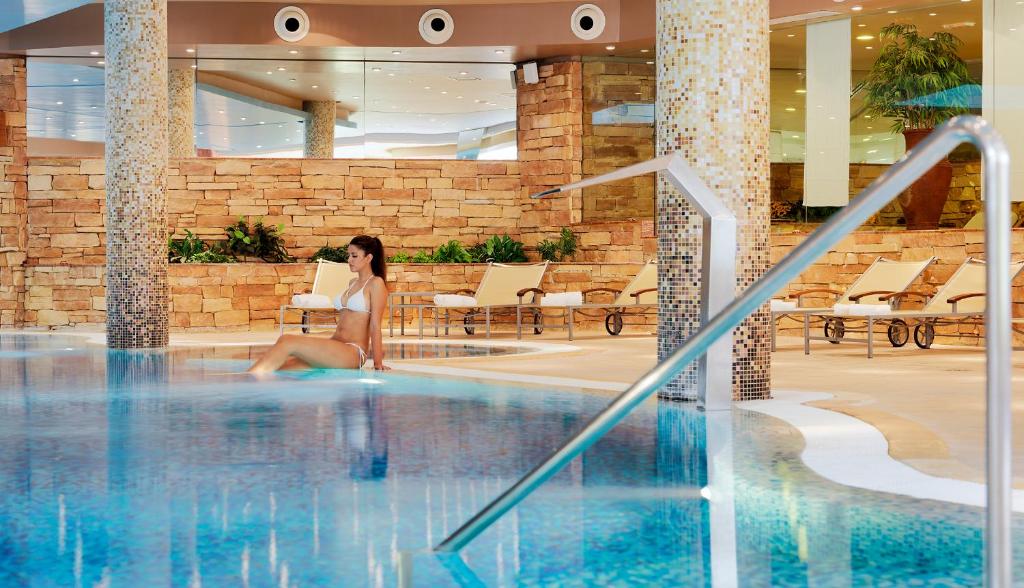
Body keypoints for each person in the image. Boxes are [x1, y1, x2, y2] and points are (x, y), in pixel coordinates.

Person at [249, 235, 390, 373]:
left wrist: (378, 363)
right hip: (335, 344)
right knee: (283, 368)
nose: (349, 260)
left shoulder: (376, 284)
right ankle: (248, 378)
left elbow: (375, 325)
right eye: (348, 255)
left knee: (287, 341)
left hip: (353, 351)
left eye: (354, 256)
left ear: (368, 258)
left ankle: (246, 379)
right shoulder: (352, 283)